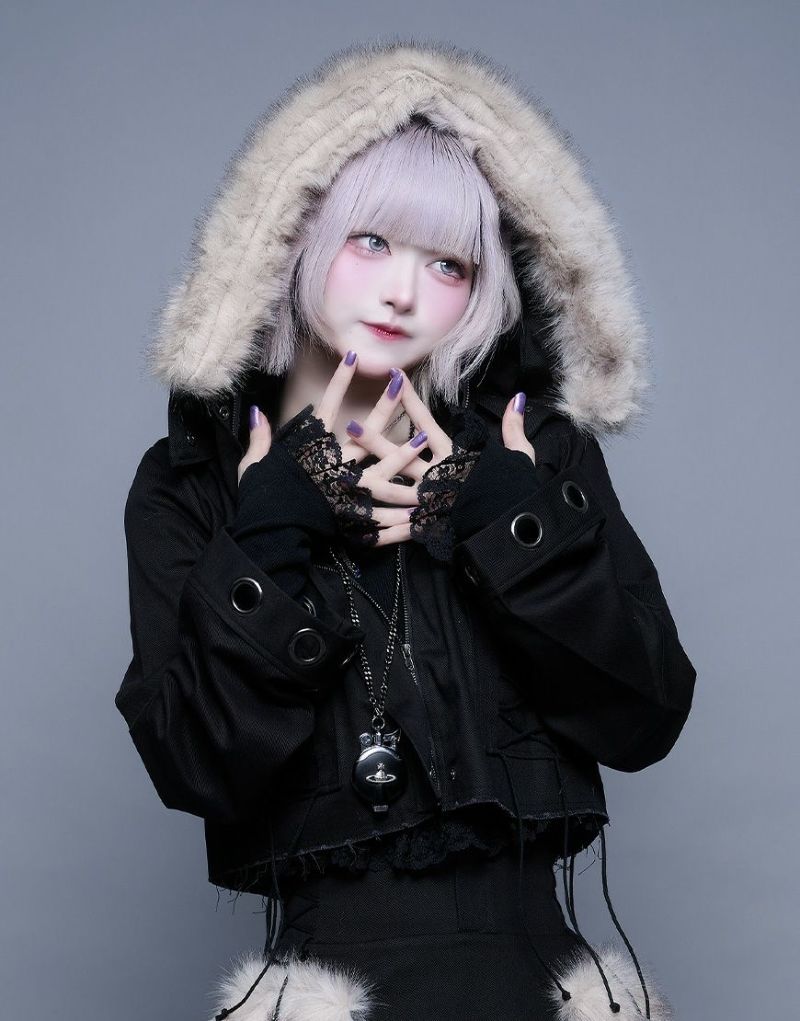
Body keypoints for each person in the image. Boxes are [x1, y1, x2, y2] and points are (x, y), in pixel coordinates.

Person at [116, 40, 696, 1021]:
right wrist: (270, 537)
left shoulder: (530, 455)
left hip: (536, 986)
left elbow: (646, 715)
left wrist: (505, 520)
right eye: (372, 242)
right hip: (325, 990)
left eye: (448, 263)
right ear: (294, 240)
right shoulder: (197, 483)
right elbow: (197, 765)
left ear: (484, 287)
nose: (403, 292)